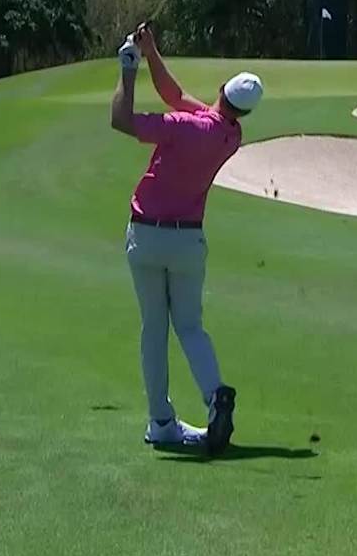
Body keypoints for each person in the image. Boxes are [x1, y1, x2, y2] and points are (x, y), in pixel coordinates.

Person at [110, 23, 263, 455]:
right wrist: (151, 51)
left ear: (220, 89)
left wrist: (128, 69)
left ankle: (161, 421)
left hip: (146, 237)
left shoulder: (182, 126)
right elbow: (175, 95)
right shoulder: (230, 135)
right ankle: (215, 397)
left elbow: (121, 120)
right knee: (190, 326)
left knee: (154, 329)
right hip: (188, 243)